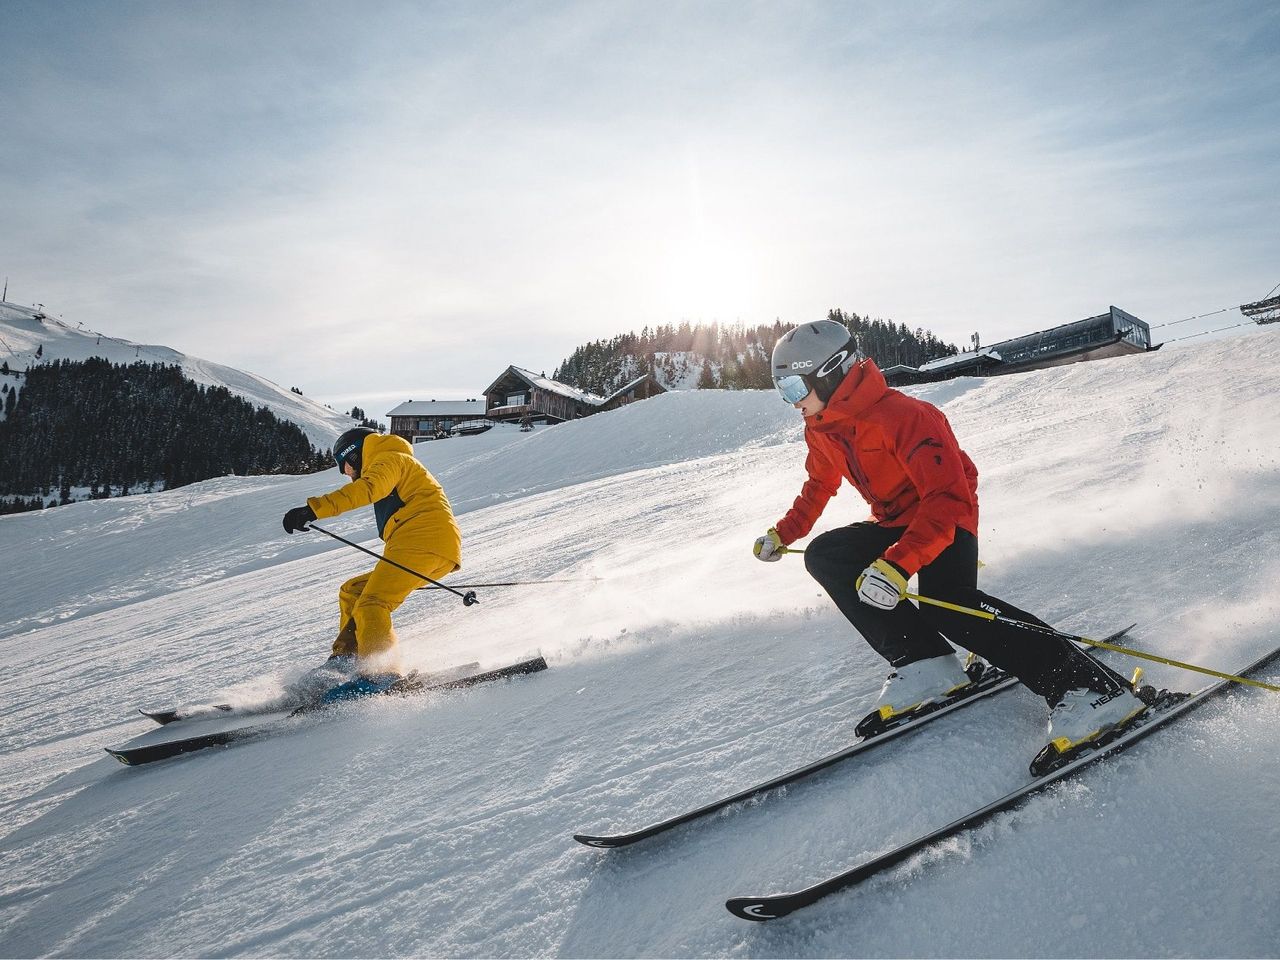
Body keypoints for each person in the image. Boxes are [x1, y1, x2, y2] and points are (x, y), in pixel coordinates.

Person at [753, 319, 1145, 757]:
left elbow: (947, 499)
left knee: (953, 607)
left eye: (793, 389)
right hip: (894, 521)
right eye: (782, 391)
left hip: (946, 516)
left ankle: (1092, 689)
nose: (791, 403)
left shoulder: (906, 416)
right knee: (828, 555)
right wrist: (784, 533)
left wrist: (897, 564)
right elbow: (818, 486)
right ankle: (925, 664)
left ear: (831, 373)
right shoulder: (822, 427)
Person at [282, 427, 462, 701]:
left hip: (423, 540)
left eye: (345, 467)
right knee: (354, 591)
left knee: (373, 603)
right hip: (428, 545)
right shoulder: (394, 459)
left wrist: (313, 509)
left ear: (353, 456)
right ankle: (345, 662)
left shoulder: (390, 458)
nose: (348, 474)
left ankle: (382, 675)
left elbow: (367, 489)